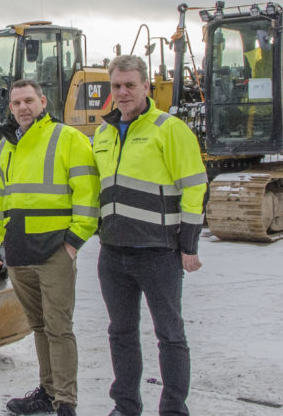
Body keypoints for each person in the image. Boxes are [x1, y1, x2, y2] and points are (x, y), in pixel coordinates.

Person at [93, 55, 207, 416]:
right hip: (113, 253)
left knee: (170, 335)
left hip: (158, 251)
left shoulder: (168, 128)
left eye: (130, 85)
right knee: (120, 333)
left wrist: (188, 245)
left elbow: (194, 186)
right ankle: (125, 406)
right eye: (116, 86)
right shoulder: (103, 133)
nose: (123, 92)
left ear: (146, 86)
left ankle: (173, 409)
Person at [0, 78, 99, 416]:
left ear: (43, 102)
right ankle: (47, 393)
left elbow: (88, 193)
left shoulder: (67, 138)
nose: (23, 108)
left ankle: (66, 402)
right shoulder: (6, 147)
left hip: (54, 252)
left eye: (29, 101)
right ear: (10, 108)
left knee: (58, 327)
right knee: (39, 326)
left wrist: (74, 241)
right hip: (19, 252)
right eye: (17, 103)